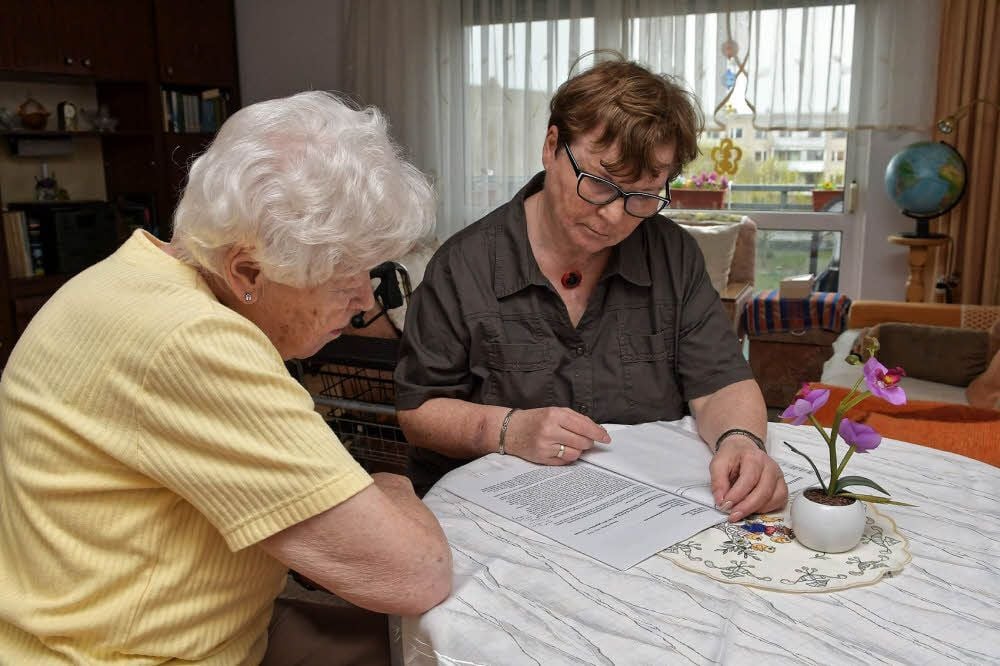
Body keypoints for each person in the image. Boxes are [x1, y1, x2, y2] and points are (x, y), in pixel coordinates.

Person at [0, 92, 452, 665]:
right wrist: (392, 487)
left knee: (404, 642)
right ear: (247, 272)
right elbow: (417, 574)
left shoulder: (133, 277)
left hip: (188, 622)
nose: (365, 300)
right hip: (118, 654)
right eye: (344, 277)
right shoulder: (193, 339)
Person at [395, 56, 787, 522]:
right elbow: (419, 411)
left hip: (640, 508)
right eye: (600, 184)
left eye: (643, 195)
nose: (616, 216)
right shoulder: (463, 266)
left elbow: (720, 381)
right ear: (551, 147)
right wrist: (505, 429)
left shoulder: (673, 254)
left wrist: (740, 440)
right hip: (499, 513)